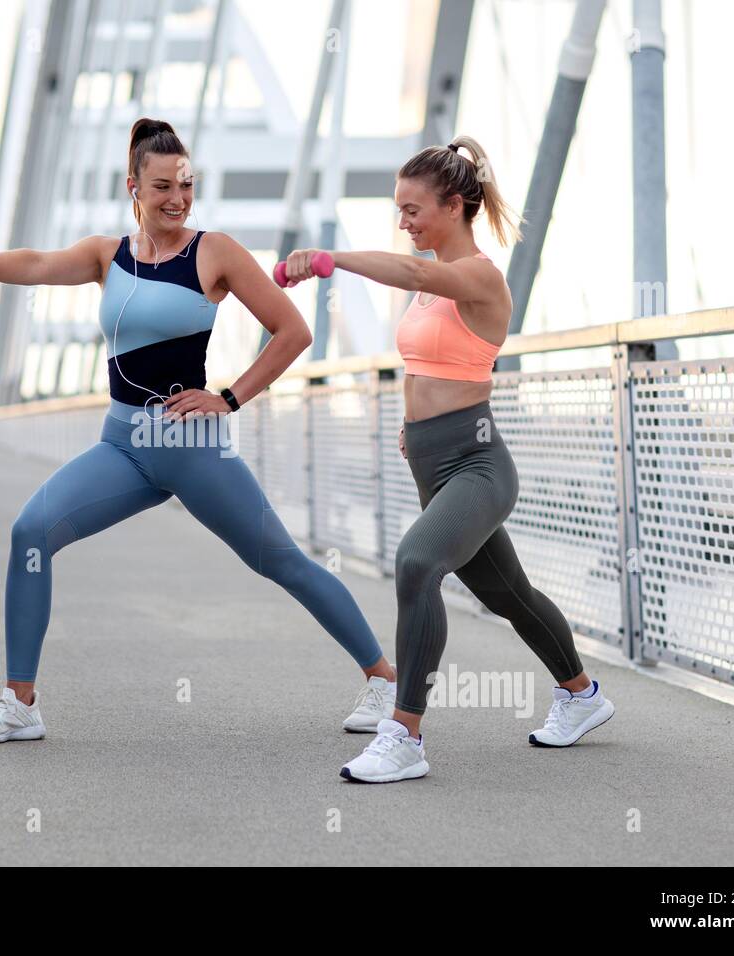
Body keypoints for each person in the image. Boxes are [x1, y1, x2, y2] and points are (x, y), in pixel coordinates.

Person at [0, 118, 399, 745]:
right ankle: (21, 704)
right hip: (121, 446)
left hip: (188, 448)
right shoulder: (107, 255)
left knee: (280, 561)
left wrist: (228, 398)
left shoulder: (216, 252)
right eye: (162, 186)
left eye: (186, 184)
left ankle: (385, 679)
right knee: (30, 532)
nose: (177, 197)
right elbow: (39, 262)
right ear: (134, 188)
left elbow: (293, 332)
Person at [284, 135, 614, 783]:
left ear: (456, 206)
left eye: (413, 210)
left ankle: (403, 735)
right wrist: (414, 425)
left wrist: (329, 259)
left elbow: (412, 273)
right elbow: (427, 362)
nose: (403, 223)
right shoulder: (432, 284)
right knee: (509, 594)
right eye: (398, 211)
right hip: (432, 460)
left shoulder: (476, 276)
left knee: (416, 562)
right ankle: (582, 696)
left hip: (478, 464)